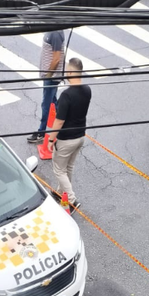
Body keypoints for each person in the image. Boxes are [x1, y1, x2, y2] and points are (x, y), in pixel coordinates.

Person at [49, 58, 91, 210]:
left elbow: (59, 121)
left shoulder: (66, 95)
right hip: (80, 137)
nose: (66, 72)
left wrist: (50, 139)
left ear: (72, 72)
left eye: (67, 70)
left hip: (66, 139)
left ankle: (71, 199)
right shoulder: (87, 89)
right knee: (68, 168)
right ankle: (61, 192)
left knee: (59, 170)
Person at [28, 29, 67, 144]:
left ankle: (41, 131)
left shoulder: (55, 33)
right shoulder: (53, 30)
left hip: (51, 77)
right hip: (50, 76)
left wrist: (49, 74)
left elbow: (56, 58)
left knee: (46, 104)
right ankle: (62, 126)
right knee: (54, 102)